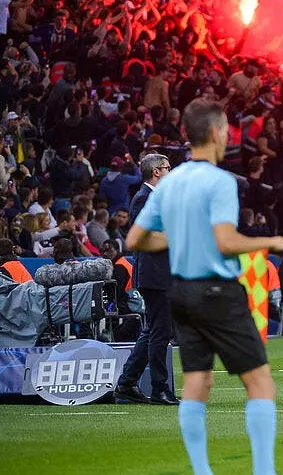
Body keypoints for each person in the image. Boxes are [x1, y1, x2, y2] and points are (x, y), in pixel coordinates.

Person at [126, 99, 283, 475]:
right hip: (217, 291)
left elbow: (135, 238)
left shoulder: (172, 182)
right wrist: (271, 242)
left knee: (196, 384)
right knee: (261, 384)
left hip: (180, 291)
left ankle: (202, 470)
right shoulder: (220, 181)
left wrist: (180, 239)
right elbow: (226, 242)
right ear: (217, 133)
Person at [116, 153, 176, 405]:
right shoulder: (143, 199)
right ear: (157, 172)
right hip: (155, 274)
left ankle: (127, 384)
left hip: (160, 273)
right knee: (161, 332)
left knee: (152, 331)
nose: (171, 172)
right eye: (168, 168)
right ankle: (160, 388)